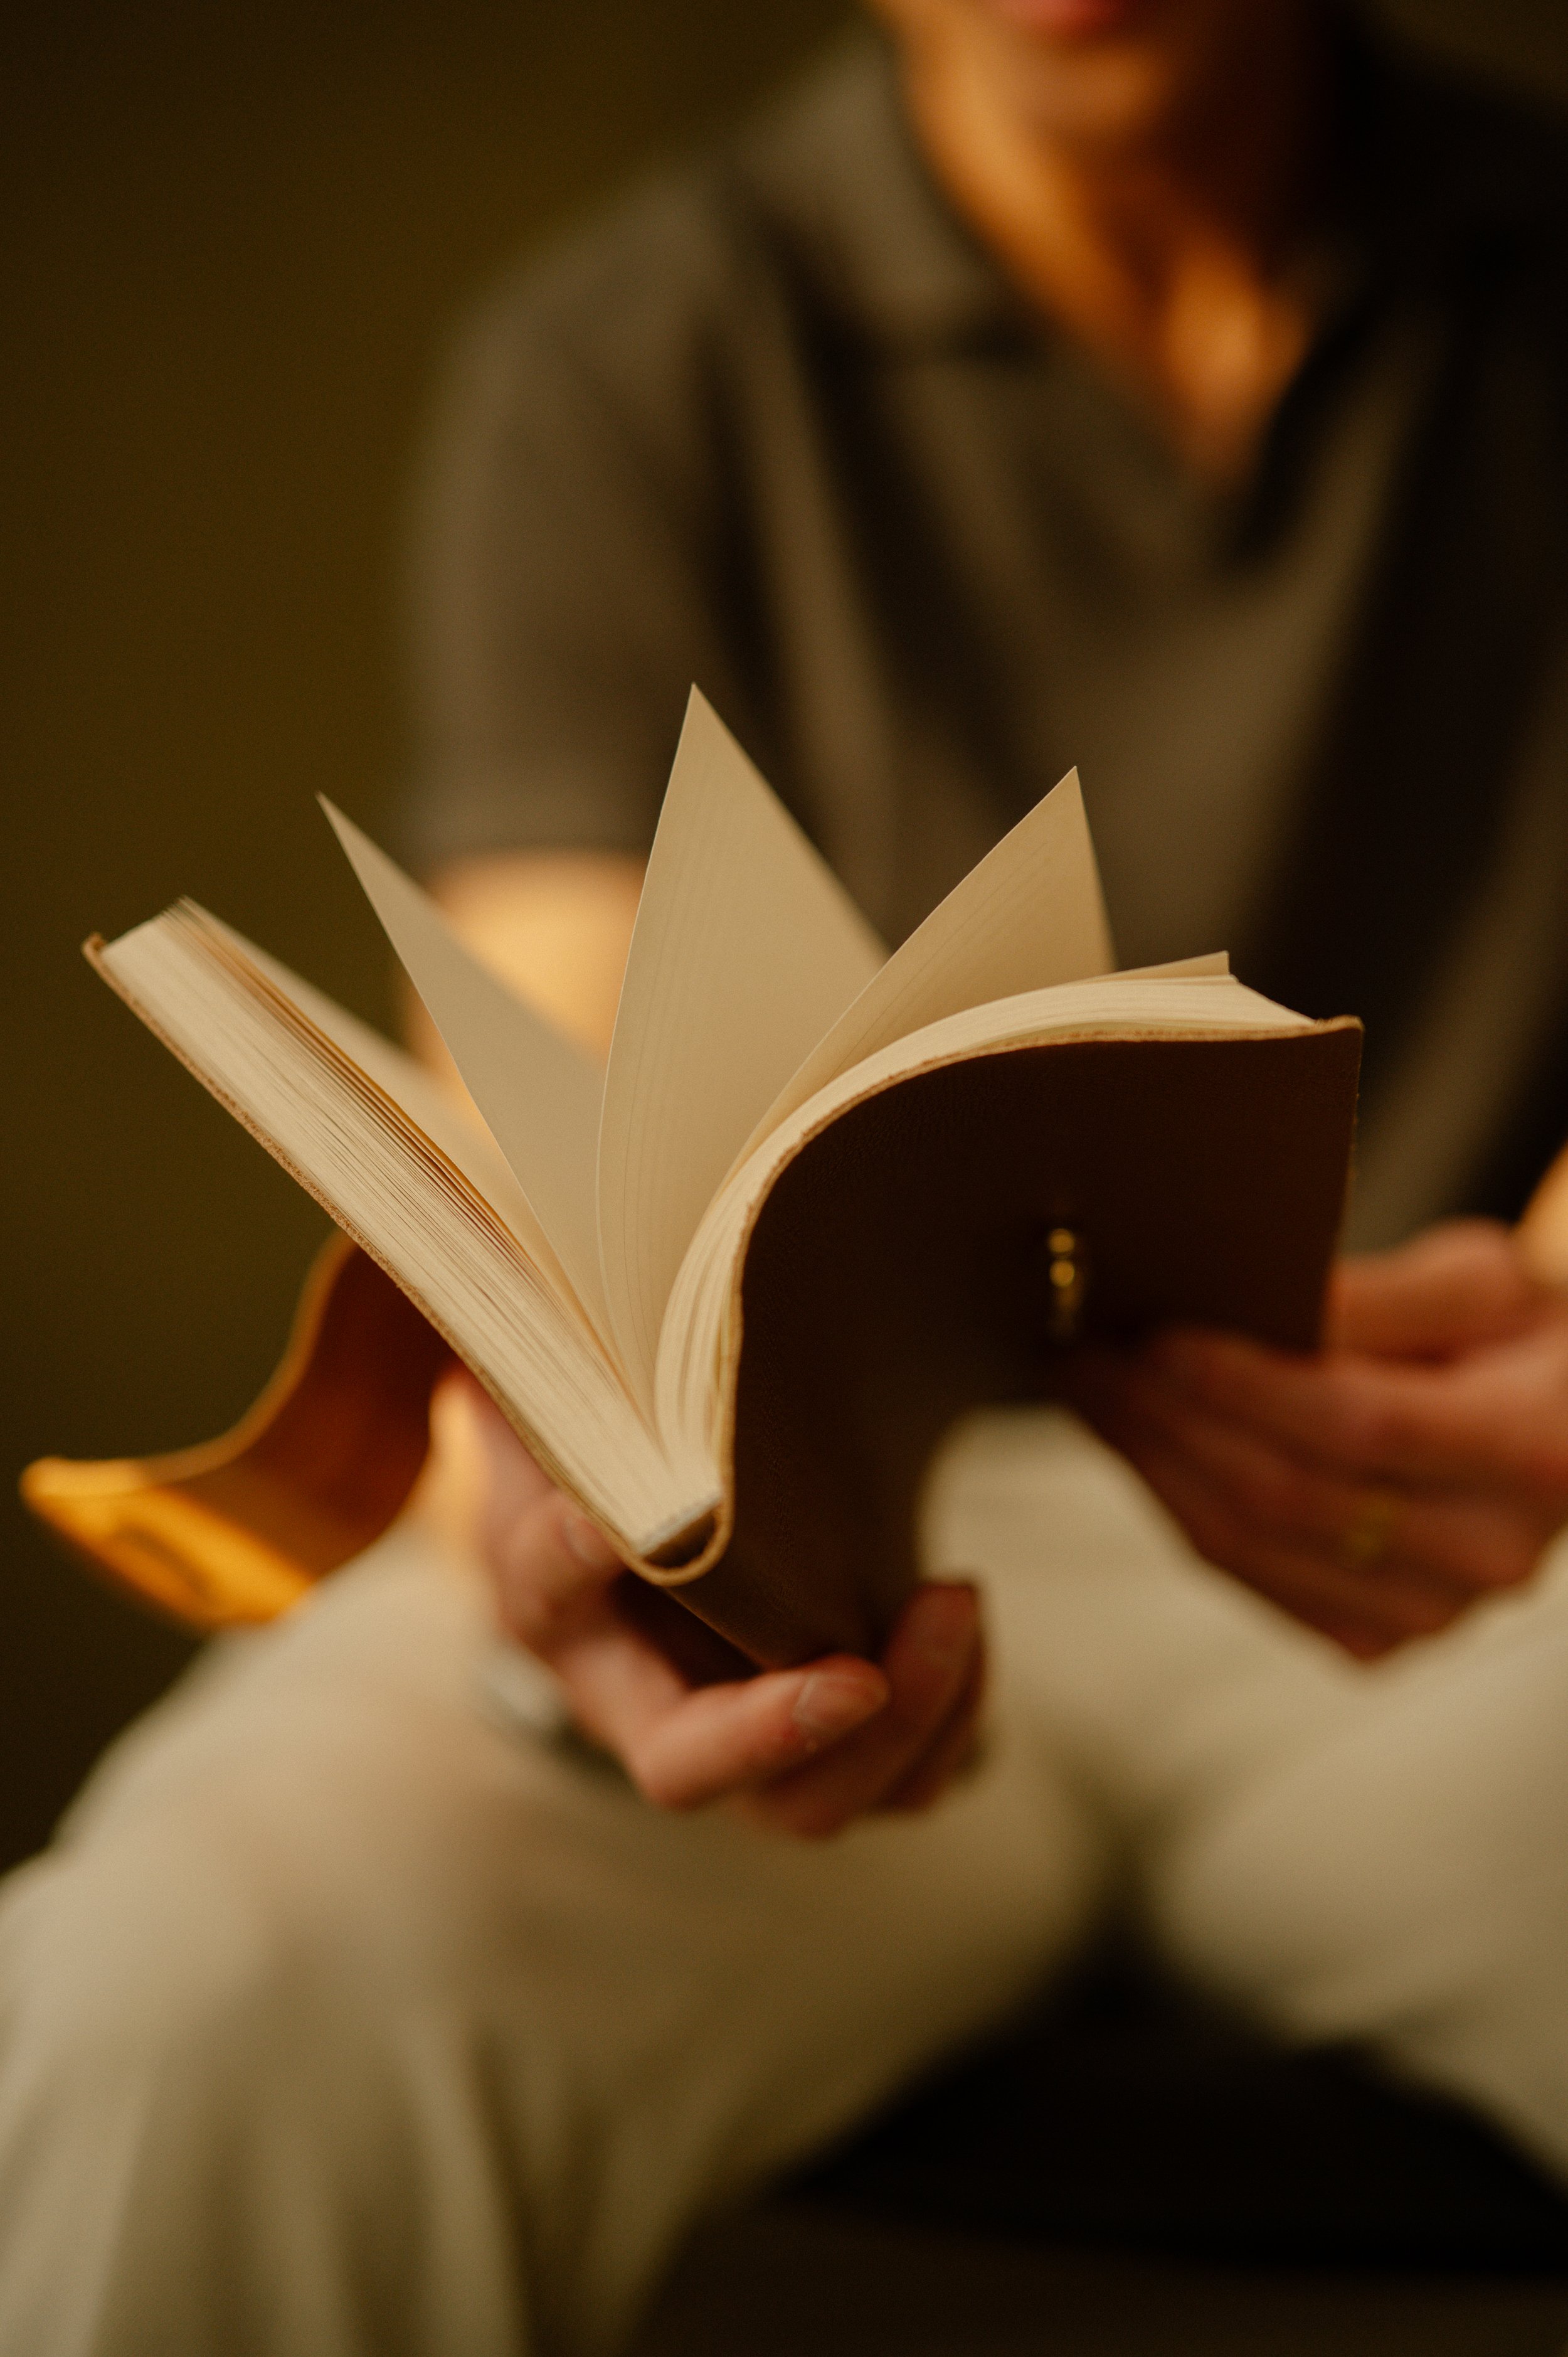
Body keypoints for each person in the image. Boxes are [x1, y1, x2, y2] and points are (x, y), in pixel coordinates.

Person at [6, 1, 1568, 2350]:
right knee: (171, 2005)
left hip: (1498, 1544)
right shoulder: (631, 362)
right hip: (835, 1560)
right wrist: (592, 1502)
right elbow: (567, 1101)